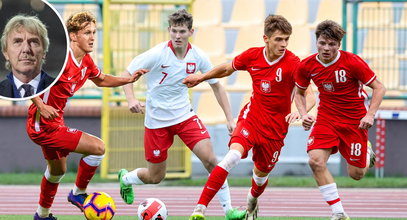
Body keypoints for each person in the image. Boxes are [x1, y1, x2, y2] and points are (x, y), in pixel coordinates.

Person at [183, 15, 315, 220]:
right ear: (266, 38)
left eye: (287, 39)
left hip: (276, 130)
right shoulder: (252, 56)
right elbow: (227, 68)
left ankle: (252, 201)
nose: (284, 44)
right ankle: (199, 209)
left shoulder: (293, 63)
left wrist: (302, 112)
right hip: (251, 118)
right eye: (279, 39)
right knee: (232, 157)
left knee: (260, 178)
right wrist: (201, 77)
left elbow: (309, 94)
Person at [118, 9, 240, 218]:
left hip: (185, 116)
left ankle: (229, 211)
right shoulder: (157, 54)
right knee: (156, 177)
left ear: (191, 32)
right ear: (169, 30)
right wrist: (131, 100)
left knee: (211, 159)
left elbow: (217, 86)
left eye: (182, 31)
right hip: (156, 122)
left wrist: (230, 119)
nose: (177, 36)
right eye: (174, 31)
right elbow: (126, 74)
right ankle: (126, 179)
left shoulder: (198, 56)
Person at [26, 11, 146, 220]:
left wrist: (128, 80)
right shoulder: (59, 58)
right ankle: (78, 194)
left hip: (55, 121)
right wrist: (40, 105)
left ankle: (42, 215)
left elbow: (101, 79)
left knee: (57, 172)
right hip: (42, 125)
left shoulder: (86, 61)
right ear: (73, 36)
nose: (92, 37)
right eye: (87, 33)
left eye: (94, 32)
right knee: (98, 148)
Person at [294, 20, 386, 220]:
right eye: (322, 43)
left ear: (339, 44)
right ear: (316, 41)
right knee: (315, 161)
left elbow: (379, 87)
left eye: (332, 44)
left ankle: (366, 150)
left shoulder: (352, 62)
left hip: (354, 122)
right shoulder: (306, 65)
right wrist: (304, 114)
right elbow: (299, 93)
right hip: (326, 119)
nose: (326, 48)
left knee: (356, 174)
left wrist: (369, 114)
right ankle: (338, 212)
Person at [0, 14, 55, 98]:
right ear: (6, 53)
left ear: (44, 52)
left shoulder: (60, 88)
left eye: (33, 42)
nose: (26, 49)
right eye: (18, 42)